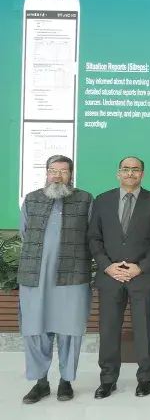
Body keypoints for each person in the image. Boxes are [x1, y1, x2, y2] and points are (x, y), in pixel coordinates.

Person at [88, 156, 150, 399]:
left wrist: (140, 267)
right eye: (126, 169)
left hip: (141, 276)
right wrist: (107, 266)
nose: (130, 173)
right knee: (109, 330)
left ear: (143, 174)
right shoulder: (102, 200)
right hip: (110, 276)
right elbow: (94, 238)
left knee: (144, 330)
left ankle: (145, 379)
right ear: (118, 173)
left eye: (135, 170)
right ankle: (107, 380)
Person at [17, 155, 93, 404]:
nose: (58, 176)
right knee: (36, 330)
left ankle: (66, 382)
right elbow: (25, 232)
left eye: (64, 171)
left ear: (71, 174)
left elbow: (93, 236)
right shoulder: (32, 199)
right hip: (35, 276)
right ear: (46, 173)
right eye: (53, 171)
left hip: (72, 275)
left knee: (70, 331)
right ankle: (41, 383)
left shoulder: (85, 199)